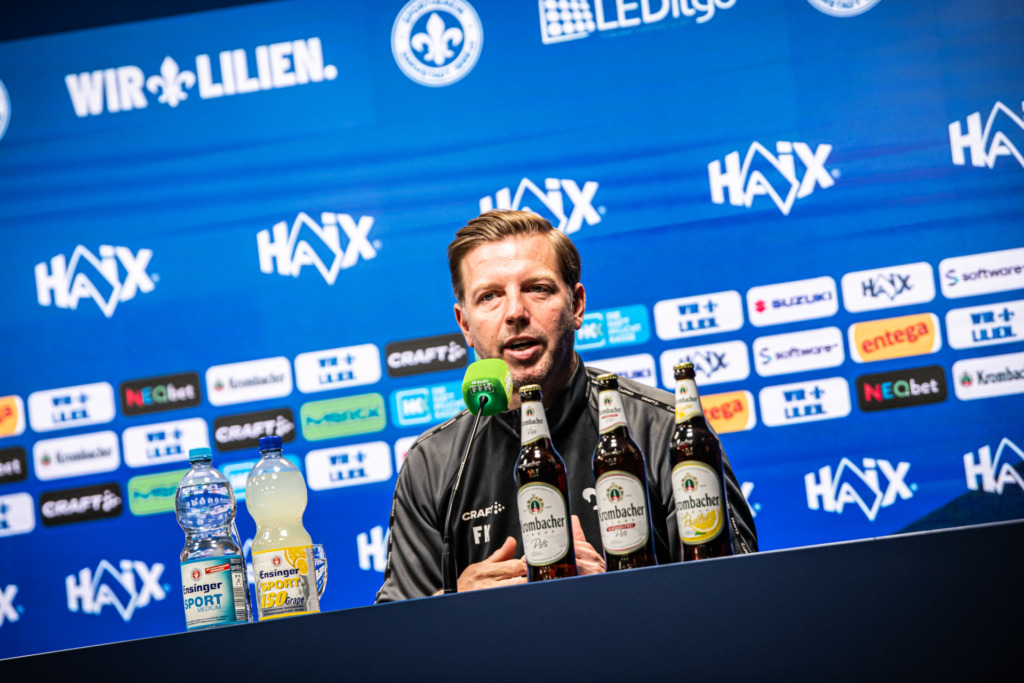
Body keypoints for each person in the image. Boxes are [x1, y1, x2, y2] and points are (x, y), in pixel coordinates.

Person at [375, 210, 757, 602]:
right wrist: (455, 604)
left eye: (537, 289)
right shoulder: (431, 464)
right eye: (489, 296)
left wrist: (611, 590)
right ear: (465, 325)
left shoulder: (665, 429)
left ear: (576, 306)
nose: (515, 313)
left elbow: (739, 597)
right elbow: (396, 641)